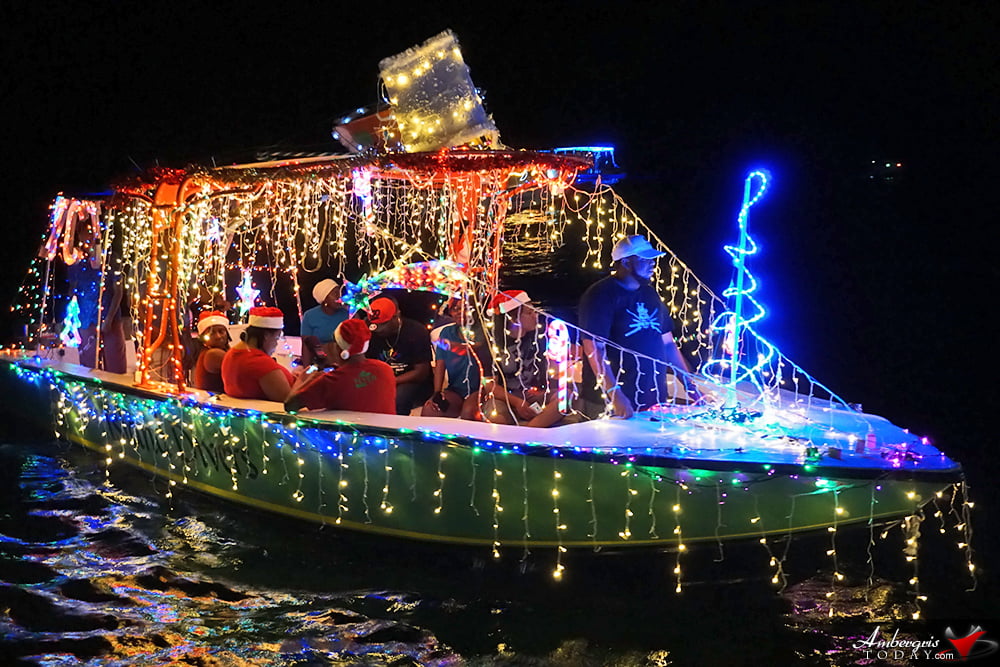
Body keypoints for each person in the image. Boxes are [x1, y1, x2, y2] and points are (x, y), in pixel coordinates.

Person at [578, 235, 698, 419]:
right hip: (612, 402)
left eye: (652, 259)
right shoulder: (600, 295)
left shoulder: (650, 294)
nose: (652, 264)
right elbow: (594, 347)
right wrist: (615, 394)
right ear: (626, 262)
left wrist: (691, 387)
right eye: (645, 259)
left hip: (653, 398)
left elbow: (667, 343)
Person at [480, 290, 568, 428]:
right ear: (514, 319)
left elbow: (552, 368)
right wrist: (517, 403)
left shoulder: (539, 337)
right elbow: (490, 386)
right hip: (506, 398)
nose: (535, 315)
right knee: (494, 416)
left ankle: (529, 430)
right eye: (529, 313)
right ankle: (533, 428)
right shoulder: (492, 345)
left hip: (534, 393)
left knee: (566, 397)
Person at [285, 318, 396, 414]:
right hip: (388, 435)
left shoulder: (331, 381)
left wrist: (303, 379)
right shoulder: (385, 369)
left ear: (338, 347)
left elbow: (290, 406)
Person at [364, 295, 433, 415]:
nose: (379, 330)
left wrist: (391, 381)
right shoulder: (370, 331)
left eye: (383, 325)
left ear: (396, 316)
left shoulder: (416, 330)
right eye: (376, 326)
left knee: (397, 399)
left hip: (410, 380)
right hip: (381, 377)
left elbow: (421, 373)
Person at [421, 297, 483, 420]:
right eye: (455, 309)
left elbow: (473, 349)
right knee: (430, 410)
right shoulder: (447, 332)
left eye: (465, 308)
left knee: (469, 413)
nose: (460, 312)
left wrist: (450, 346)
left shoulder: (483, 330)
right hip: (455, 389)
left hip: (481, 389)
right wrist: (437, 393)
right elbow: (440, 365)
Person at [221, 306, 295, 401]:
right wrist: (303, 380)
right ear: (266, 336)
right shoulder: (259, 362)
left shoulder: (232, 354)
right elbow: (289, 402)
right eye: (276, 338)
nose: (276, 344)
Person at [300, 278, 348, 367]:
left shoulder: (347, 313)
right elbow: (306, 345)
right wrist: (305, 369)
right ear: (324, 299)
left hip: (345, 361)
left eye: (340, 293)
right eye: (335, 294)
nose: (339, 297)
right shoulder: (310, 316)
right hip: (321, 363)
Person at [191, 310, 230, 393]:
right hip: (215, 403)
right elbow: (242, 366)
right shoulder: (212, 354)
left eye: (221, 331)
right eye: (212, 333)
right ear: (203, 337)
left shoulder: (222, 350)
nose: (218, 336)